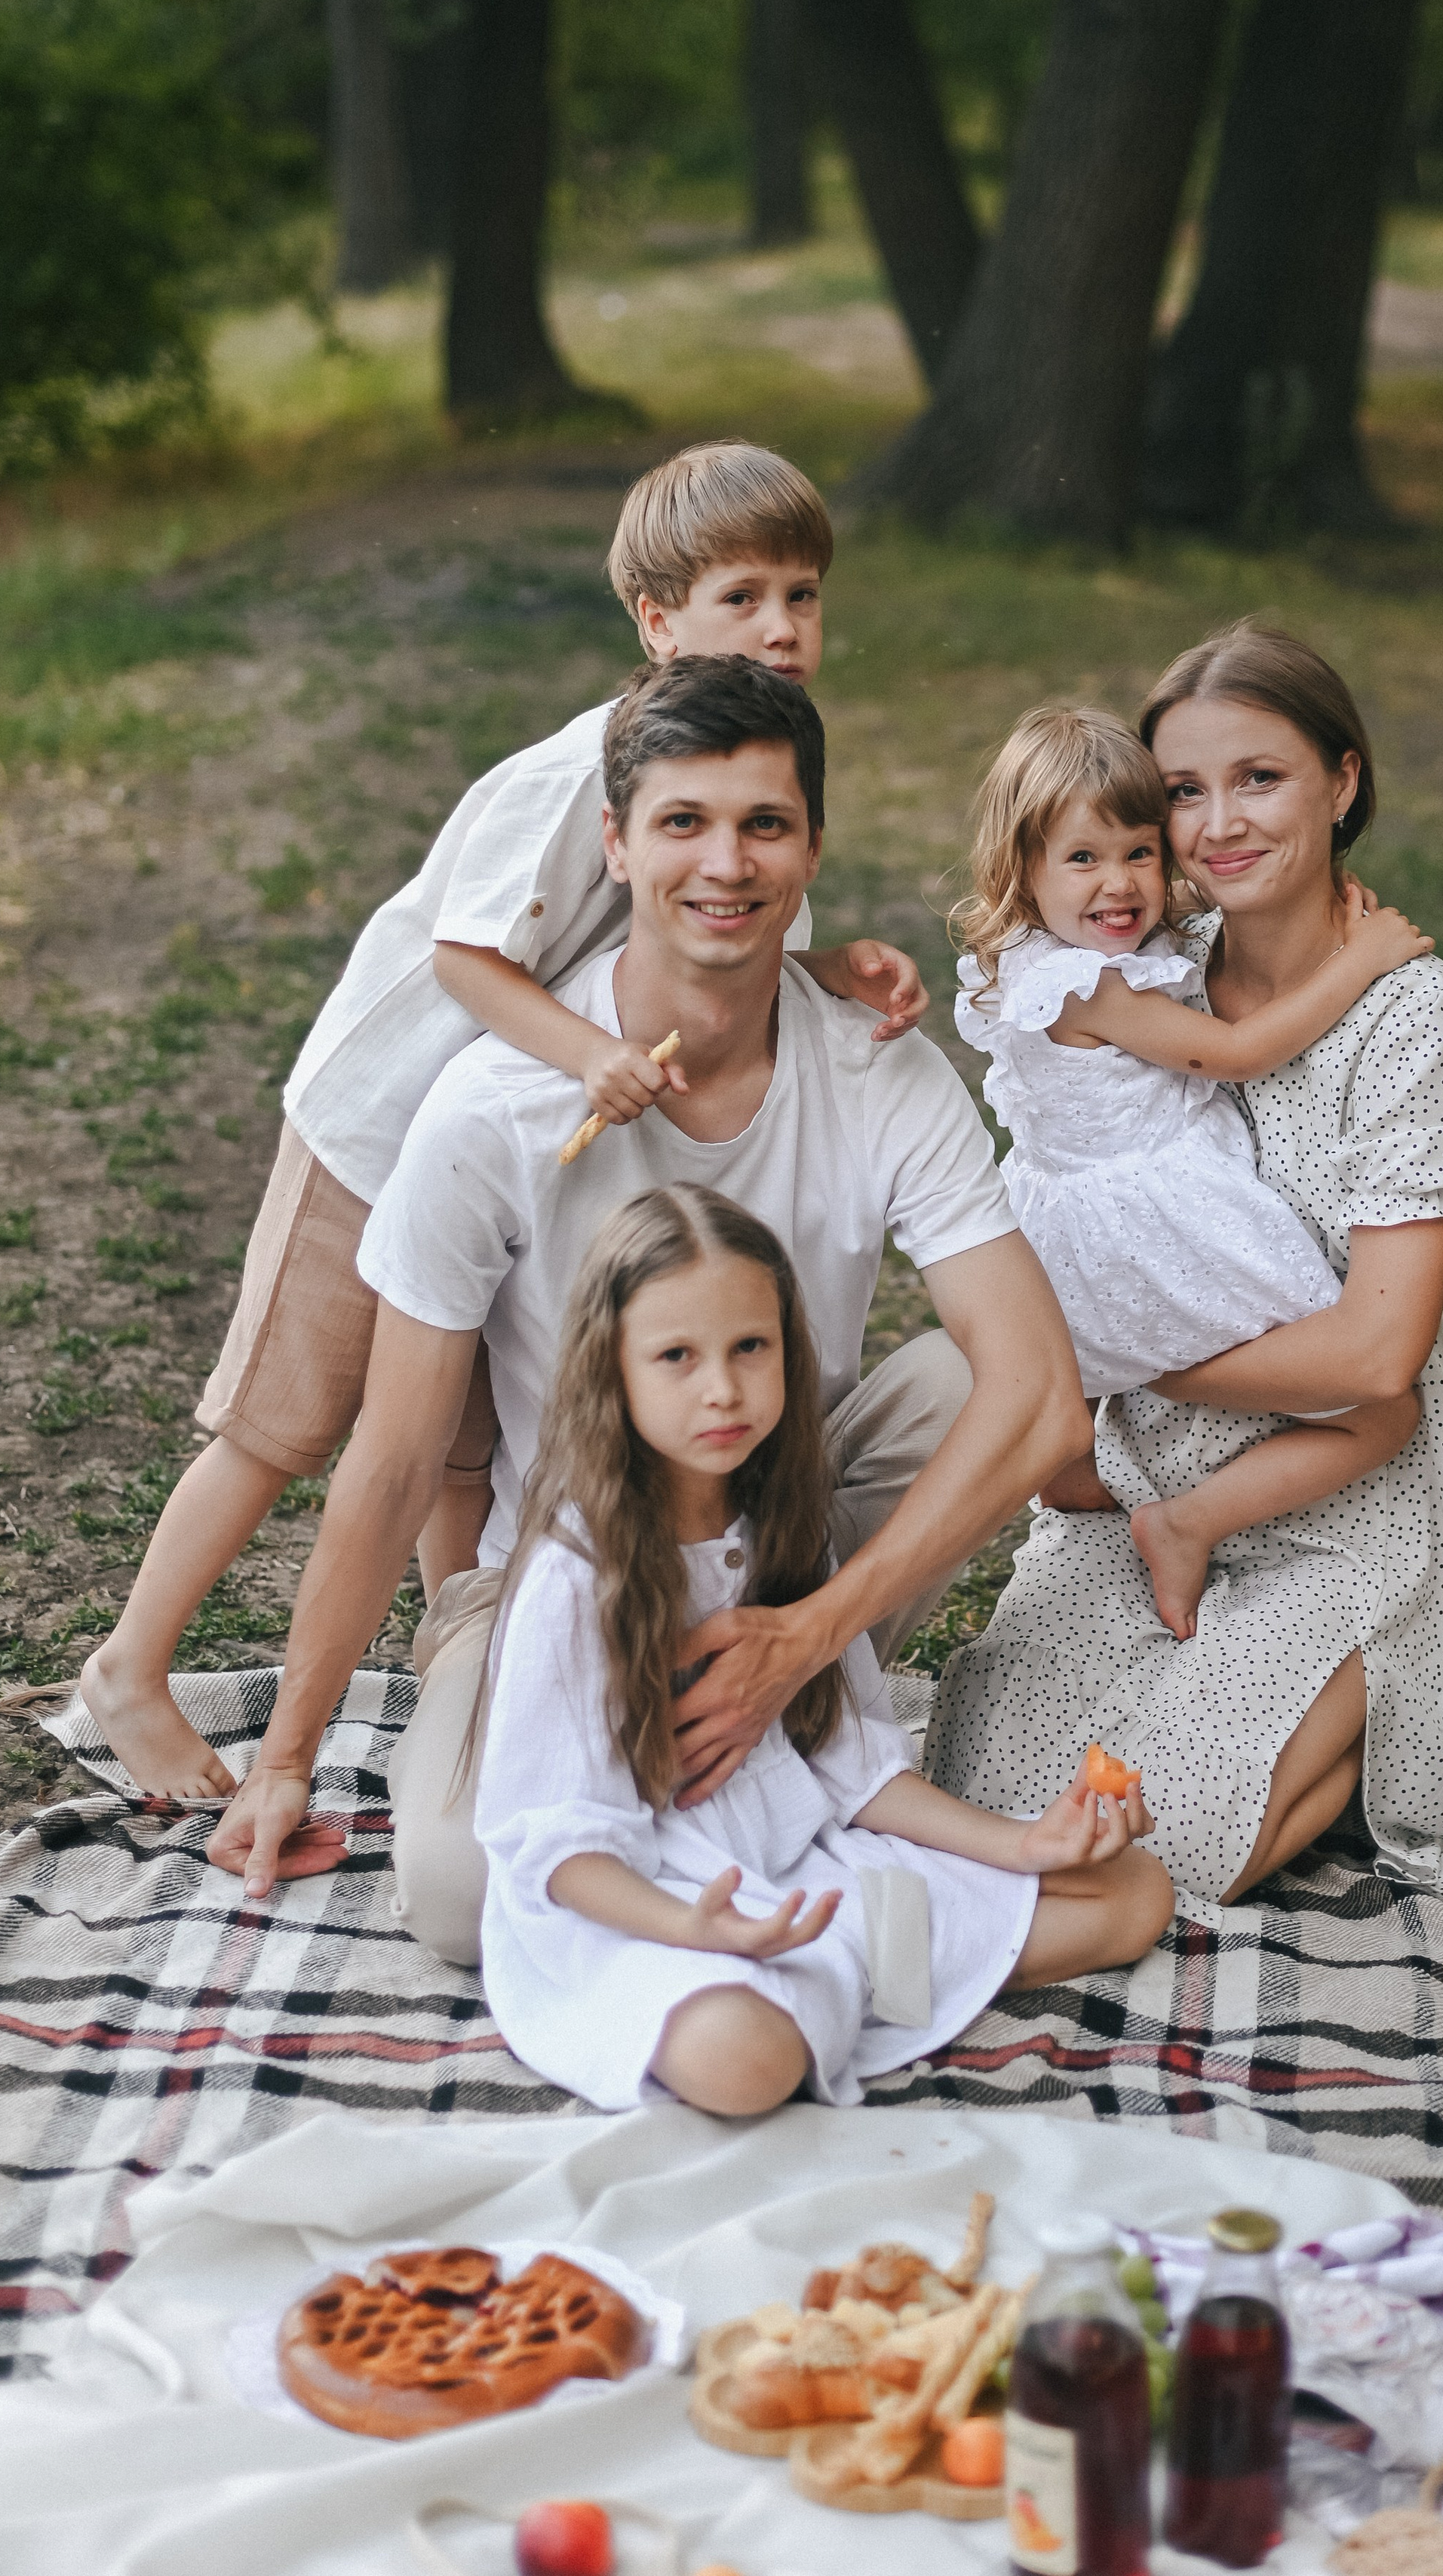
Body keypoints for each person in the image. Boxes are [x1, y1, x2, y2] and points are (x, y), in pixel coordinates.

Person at [78, 441, 927, 1804]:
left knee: (467, 1445)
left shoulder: (742, 775)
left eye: (805, 596)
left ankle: (458, 1683)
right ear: (656, 622)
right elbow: (470, 961)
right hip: (381, 1130)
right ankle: (133, 1660)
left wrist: (837, 968)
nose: (781, 627)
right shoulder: (573, 773)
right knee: (287, 1422)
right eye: (742, 596)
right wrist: (591, 1052)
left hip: (498, 1163)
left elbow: (729, 936)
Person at [205, 654, 1091, 1932]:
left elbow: (1048, 1403)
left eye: (763, 825)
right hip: (557, 1585)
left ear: (811, 849)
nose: (725, 863)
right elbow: (395, 1461)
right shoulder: (494, 1108)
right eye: (684, 822)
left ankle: (788, 1709)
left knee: (983, 1377)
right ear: (616, 845)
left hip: (787, 1555)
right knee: (461, 1899)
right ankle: (747, 1784)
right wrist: (287, 1757)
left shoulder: (879, 1073)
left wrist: (807, 1628)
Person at [927, 619, 1443, 1920]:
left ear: (1343, 781)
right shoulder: (1147, 960)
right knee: (991, 1790)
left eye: (1259, 778)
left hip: (1344, 1501)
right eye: (1182, 793)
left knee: (1156, 1840)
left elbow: (1379, 1361)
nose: (1216, 826)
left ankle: (1381, 1697)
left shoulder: (1421, 1020)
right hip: (1145, 1473)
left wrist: (1119, 1352)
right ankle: (1261, 1676)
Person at [477, 1185, 1173, 2114]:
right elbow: (557, 1848)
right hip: (642, 1902)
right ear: (613, 1370)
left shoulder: (784, 1526)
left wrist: (1026, 1843)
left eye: (748, 1348)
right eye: (676, 1356)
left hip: (808, 1870)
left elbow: (856, 1773)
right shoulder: (576, 1574)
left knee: (1132, 1893)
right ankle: (849, 1982)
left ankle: (853, 1974)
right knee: (744, 2062)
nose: (721, 1387)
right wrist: (694, 1926)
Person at [953, 702, 1431, 1636]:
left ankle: (1103, 1504)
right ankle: (1187, 1521)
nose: (1120, 884)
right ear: (1024, 869)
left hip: (1054, 1238)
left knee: (1059, 1441)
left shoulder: (1037, 956)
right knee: (1383, 1416)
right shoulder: (1091, 986)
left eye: (1138, 851)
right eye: (1082, 860)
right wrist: (1360, 960)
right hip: (1148, 1239)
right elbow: (1238, 1051)